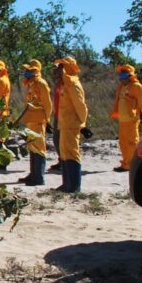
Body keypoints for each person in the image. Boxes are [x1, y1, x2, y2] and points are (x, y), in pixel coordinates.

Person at [54, 56, 90, 194]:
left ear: (67, 68)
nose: (57, 70)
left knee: (72, 153)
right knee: (64, 153)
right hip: (64, 124)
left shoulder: (74, 85)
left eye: (61, 67)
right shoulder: (63, 84)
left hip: (72, 124)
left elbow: (81, 106)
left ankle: (74, 187)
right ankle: (66, 184)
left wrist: (83, 125)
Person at [19, 59, 52, 186]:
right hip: (31, 120)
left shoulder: (41, 83)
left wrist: (47, 120)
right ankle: (33, 174)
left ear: (35, 70)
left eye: (29, 70)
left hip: (38, 120)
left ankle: (39, 177)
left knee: (39, 147)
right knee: (31, 146)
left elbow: (47, 104)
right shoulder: (30, 83)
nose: (26, 72)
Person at [110, 64, 142, 172]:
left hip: (132, 120)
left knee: (132, 143)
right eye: (120, 75)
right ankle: (126, 164)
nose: (121, 78)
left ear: (130, 75)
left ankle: (133, 165)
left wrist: (140, 116)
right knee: (123, 143)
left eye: (124, 75)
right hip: (122, 120)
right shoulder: (121, 87)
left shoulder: (137, 86)